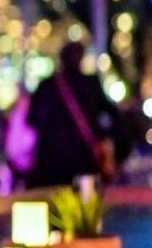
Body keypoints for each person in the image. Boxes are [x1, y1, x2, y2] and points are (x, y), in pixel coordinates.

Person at [26, 41, 116, 188]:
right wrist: (102, 135)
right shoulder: (90, 84)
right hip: (84, 161)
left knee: (53, 203)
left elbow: (32, 120)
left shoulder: (47, 87)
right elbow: (113, 116)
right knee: (85, 204)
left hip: (51, 163)